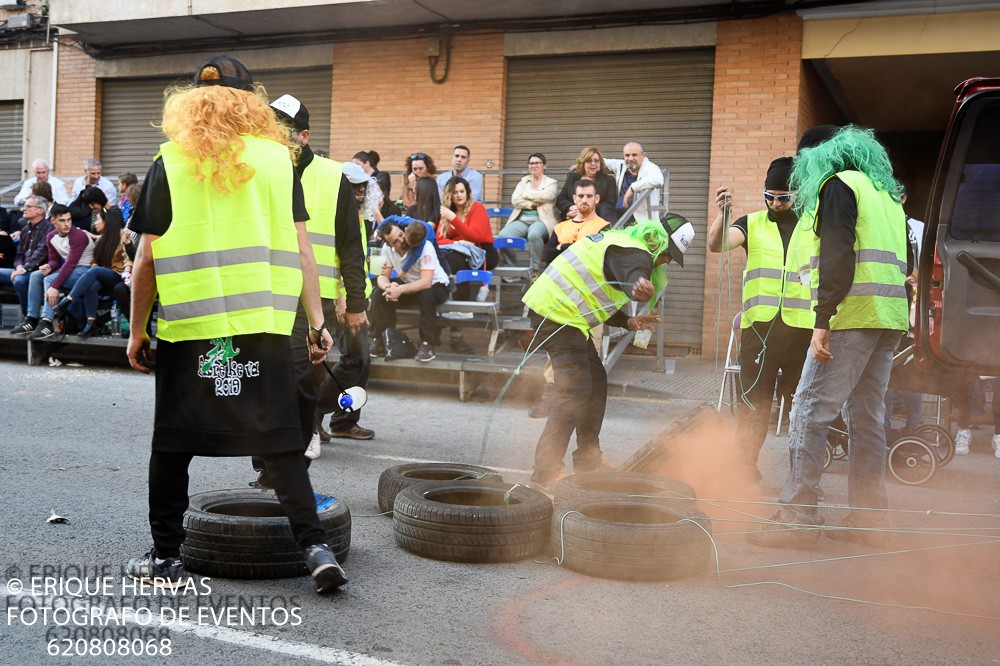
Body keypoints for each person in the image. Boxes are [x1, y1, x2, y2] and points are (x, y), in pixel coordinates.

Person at [124, 55, 346, 594]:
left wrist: (136, 332)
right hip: (263, 328)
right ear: (253, 104)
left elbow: (146, 261)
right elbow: (302, 250)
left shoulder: (170, 160)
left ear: (190, 106)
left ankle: (167, 559)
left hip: (192, 331)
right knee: (280, 441)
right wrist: (317, 323)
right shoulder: (278, 160)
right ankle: (315, 548)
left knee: (173, 446)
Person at [747, 125, 910, 549]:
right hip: (889, 316)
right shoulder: (886, 193)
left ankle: (798, 515)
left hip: (851, 315)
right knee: (867, 416)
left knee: (808, 409)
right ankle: (869, 518)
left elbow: (839, 255)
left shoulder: (838, 186)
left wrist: (823, 319)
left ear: (818, 157)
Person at [523, 214, 695, 489]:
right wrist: (639, 282)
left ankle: (588, 461)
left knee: (596, 382)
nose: (667, 262)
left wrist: (627, 320)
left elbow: (599, 292)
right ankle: (544, 474)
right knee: (575, 390)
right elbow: (633, 270)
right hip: (557, 316)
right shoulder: (637, 254)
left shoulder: (621, 243)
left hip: (564, 316)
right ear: (658, 242)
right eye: (668, 254)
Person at [268, 92, 371, 458]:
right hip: (269, 291)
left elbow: (350, 246)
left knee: (308, 369)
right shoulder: (262, 171)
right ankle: (289, 431)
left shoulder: (332, 176)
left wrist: (355, 302)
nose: (275, 136)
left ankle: (308, 424)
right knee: (276, 370)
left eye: (283, 130)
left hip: (318, 294)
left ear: (304, 136)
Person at [707, 157, 813, 480]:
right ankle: (743, 471)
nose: (776, 203)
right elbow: (716, 245)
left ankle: (802, 476)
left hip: (801, 332)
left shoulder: (813, 225)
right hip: (759, 331)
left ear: (798, 192)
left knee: (804, 409)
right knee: (754, 405)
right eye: (770, 196)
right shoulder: (751, 223)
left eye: (783, 197)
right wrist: (722, 216)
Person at [530, 178, 613, 420]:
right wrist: (569, 251)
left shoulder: (604, 227)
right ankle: (552, 397)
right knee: (556, 351)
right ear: (573, 199)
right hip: (561, 300)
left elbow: (600, 262)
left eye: (589, 196)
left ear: (596, 199)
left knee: (590, 351)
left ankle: (586, 402)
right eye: (580, 196)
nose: (584, 200)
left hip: (590, 301)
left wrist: (565, 251)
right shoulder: (560, 228)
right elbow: (548, 258)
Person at [315, 161, 376, 443]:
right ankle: (314, 412)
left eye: (363, 188)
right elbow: (336, 257)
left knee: (362, 363)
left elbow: (355, 259)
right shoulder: (336, 211)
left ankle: (344, 420)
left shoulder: (359, 216)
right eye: (355, 188)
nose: (361, 193)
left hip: (356, 299)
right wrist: (343, 300)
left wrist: (360, 302)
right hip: (339, 299)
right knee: (354, 360)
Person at [371, 218, 450, 362]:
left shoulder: (425, 245)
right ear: (389, 245)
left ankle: (427, 344)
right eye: (395, 241)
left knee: (427, 295)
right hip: (411, 285)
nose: (402, 240)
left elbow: (426, 282)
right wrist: (388, 287)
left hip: (436, 284)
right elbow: (381, 277)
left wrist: (400, 289)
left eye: (401, 234)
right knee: (379, 293)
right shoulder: (385, 249)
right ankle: (382, 339)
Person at [19, 203, 95, 340]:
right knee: (36, 275)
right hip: (71, 270)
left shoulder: (78, 235)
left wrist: (54, 286)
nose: (67, 224)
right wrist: (49, 267)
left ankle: (47, 322)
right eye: (62, 220)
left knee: (49, 280)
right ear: (53, 220)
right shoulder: (51, 237)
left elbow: (71, 264)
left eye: (69, 220)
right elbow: (55, 260)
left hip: (87, 270)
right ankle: (31, 318)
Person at [52, 207, 128, 338]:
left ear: (106, 222)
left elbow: (128, 259)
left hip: (119, 277)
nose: (95, 223)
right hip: (103, 278)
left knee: (95, 271)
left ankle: (67, 300)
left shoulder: (123, 235)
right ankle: (91, 323)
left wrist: (127, 272)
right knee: (92, 285)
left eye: (98, 220)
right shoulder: (100, 240)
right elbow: (94, 261)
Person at [497, 153, 558, 277]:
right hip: (522, 220)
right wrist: (532, 204)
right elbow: (515, 200)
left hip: (541, 220)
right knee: (503, 235)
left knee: (534, 234)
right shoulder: (524, 181)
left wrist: (526, 194)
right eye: (531, 163)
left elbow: (548, 195)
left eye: (537, 163)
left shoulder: (551, 182)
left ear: (544, 166)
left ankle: (535, 270)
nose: (533, 165)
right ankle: (512, 270)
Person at [2, 195, 54, 323]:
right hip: (23, 269)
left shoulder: (49, 228)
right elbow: (19, 254)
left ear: (40, 210)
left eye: (28, 206)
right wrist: (19, 266)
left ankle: (30, 318)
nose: (23, 209)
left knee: (19, 280)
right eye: (24, 206)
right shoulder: (25, 229)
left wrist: (23, 269)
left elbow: (41, 253)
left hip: (39, 270)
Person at [605, 141, 665, 222]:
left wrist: (633, 188)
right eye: (627, 155)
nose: (630, 158)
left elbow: (658, 179)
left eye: (634, 155)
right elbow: (602, 162)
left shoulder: (650, 168)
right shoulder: (622, 165)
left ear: (643, 156)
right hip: (618, 216)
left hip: (639, 221)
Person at [555, 146, 618, 223]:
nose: (593, 164)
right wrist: (571, 208)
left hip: (597, 220)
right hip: (572, 219)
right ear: (583, 163)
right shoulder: (573, 177)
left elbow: (610, 204)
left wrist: (583, 209)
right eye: (589, 161)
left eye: (596, 161)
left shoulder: (608, 180)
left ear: (600, 163)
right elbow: (561, 198)